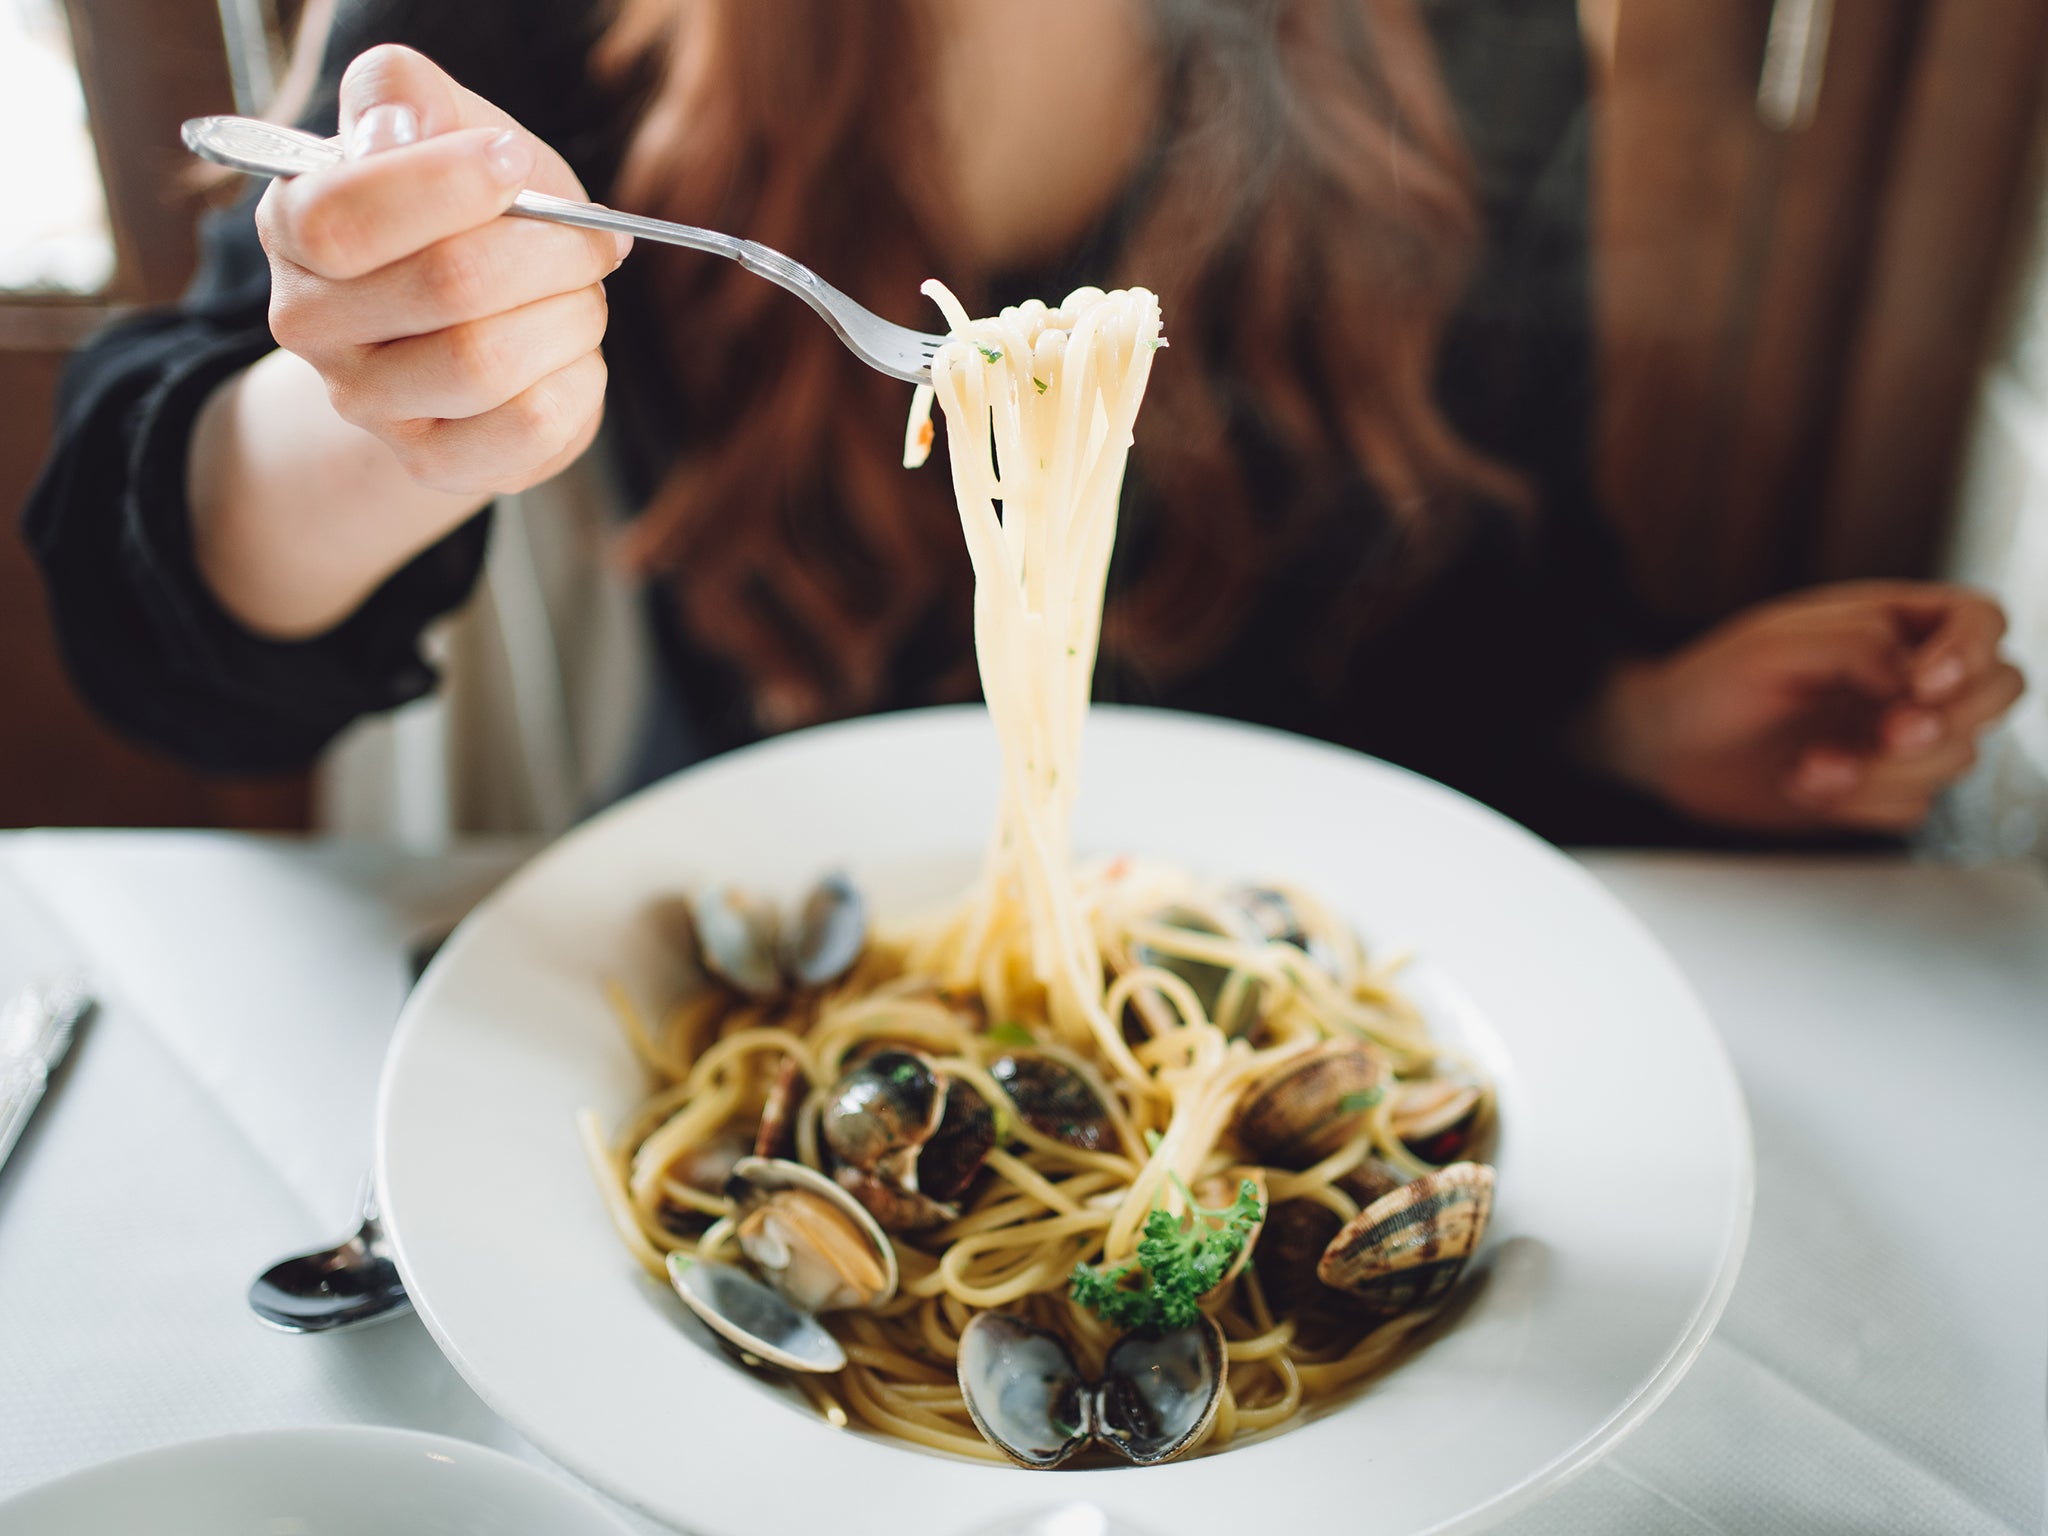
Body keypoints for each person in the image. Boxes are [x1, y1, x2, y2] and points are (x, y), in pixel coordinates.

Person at [21, 0, 2024, 843]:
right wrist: (383, 424)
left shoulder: (1457, 29)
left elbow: (1496, 590)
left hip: (1295, 944)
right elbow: (162, 634)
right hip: (760, 922)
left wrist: (1638, 716)